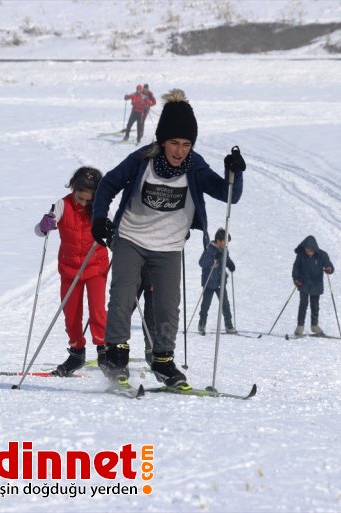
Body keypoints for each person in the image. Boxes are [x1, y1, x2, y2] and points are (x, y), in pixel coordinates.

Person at [91, 88, 246, 386]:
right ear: (162, 141)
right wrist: (99, 219)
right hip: (131, 238)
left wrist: (234, 174)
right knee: (123, 295)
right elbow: (108, 184)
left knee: (166, 305)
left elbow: (230, 196)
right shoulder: (141, 160)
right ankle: (116, 355)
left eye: (186, 144)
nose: (179, 150)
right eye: (174, 143)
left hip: (169, 247)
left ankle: (162, 360)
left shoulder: (195, 166)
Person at [35, 166, 110, 376]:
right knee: (71, 314)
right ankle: (77, 353)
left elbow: (111, 228)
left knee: (97, 311)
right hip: (70, 270)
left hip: (95, 266)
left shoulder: (101, 207)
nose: (84, 203)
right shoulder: (62, 205)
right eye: (80, 198)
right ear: (74, 188)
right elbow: (39, 231)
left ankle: (104, 351)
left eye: (89, 199)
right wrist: (44, 226)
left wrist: (110, 232)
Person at [291, 235, 334, 336]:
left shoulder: (322, 255)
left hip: (316, 284)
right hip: (304, 283)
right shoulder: (301, 255)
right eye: (306, 249)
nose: (308, 251)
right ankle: (300, 327)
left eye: (310, 250)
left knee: (315, 306)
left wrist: (329, 269)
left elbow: (330, 266)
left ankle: (314, 326)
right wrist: (296, 280)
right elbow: (295, 268)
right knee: (303, 305)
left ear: (314, 248)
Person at [197, 227, 236, 335]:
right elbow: (202, 263)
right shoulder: (209, 250)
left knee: (225, 304)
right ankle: (202, 324)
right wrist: (213, 259)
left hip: (220, 282)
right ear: (218, 241)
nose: (226, 244)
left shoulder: (225, 250)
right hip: (209, 282)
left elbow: (226, 259)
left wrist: (230, 264)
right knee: (206, 304)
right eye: (225, 242)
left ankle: (229, 325)